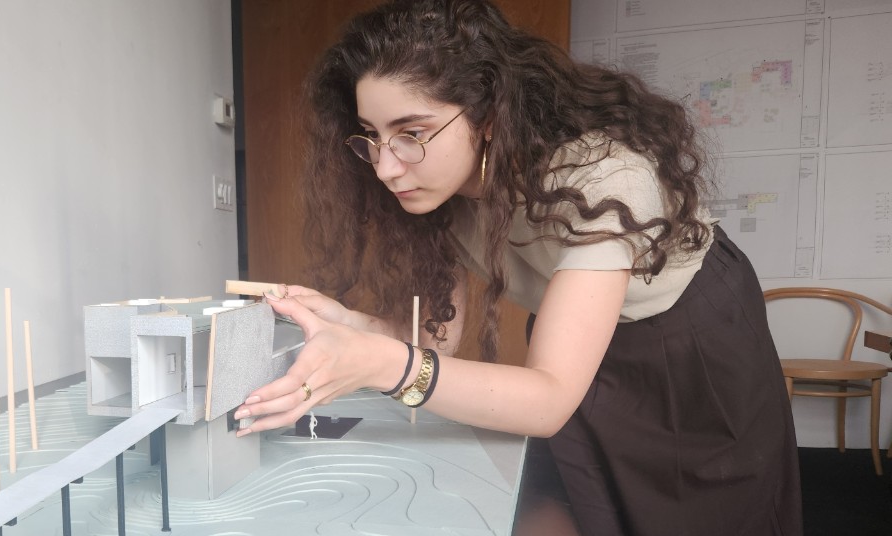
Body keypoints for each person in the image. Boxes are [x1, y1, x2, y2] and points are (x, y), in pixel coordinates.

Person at [231, 1, 802, 534]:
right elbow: (436, 341)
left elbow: (548, 399)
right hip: (580, 355)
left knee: (712, 515)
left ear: (486, 114)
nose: (385, 167)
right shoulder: (442, 193)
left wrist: (381, 365)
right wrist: (350, 326)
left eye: (411, 134)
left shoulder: (606, 179)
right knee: (581, 505)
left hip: (689, 349)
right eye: (372, 139)